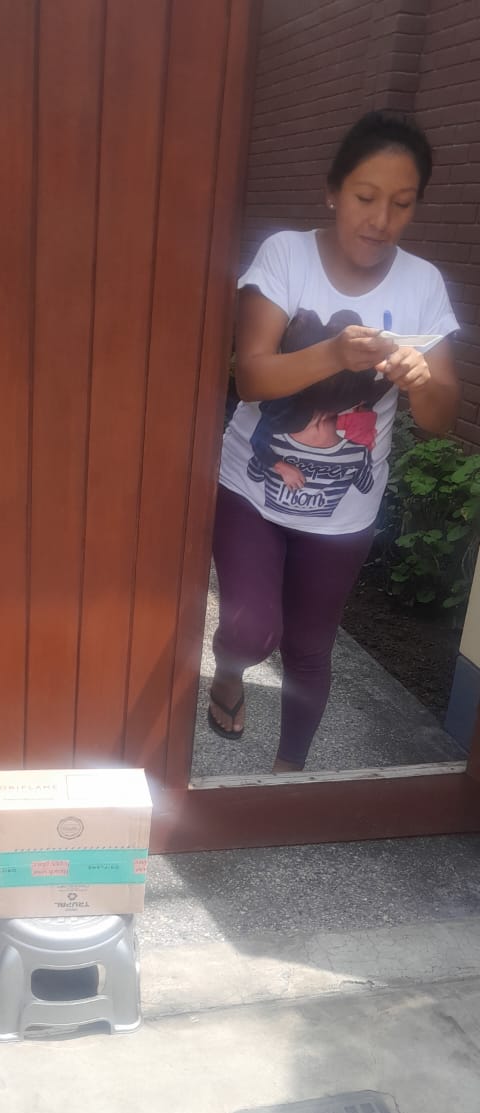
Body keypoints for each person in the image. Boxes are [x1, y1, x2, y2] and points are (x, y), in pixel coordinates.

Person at [209, 110, 460, 771]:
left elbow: (440, 416)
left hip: (343, 514)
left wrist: (421, 381)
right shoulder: (286, 256)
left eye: (402, 203)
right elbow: (252, 377)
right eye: (365, 197)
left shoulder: (423, 285)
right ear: (332, 191)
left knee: (310, 649)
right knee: (250, 630)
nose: (381, 219)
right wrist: (334, 354)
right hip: (252, 491)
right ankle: (229, 672)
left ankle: (286, 778)